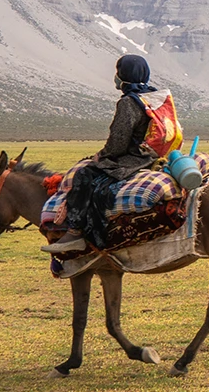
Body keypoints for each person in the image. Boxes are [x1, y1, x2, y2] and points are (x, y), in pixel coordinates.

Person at [47, 54, 165, 254]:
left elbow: (118, 142)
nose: (116, 77)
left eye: (119, 72)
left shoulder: (129, 102)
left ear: (126, 74)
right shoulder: (154, 98)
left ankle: (75, 232)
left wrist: (101, 156)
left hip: (132, 161)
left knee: (83, 175)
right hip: (153, 156)